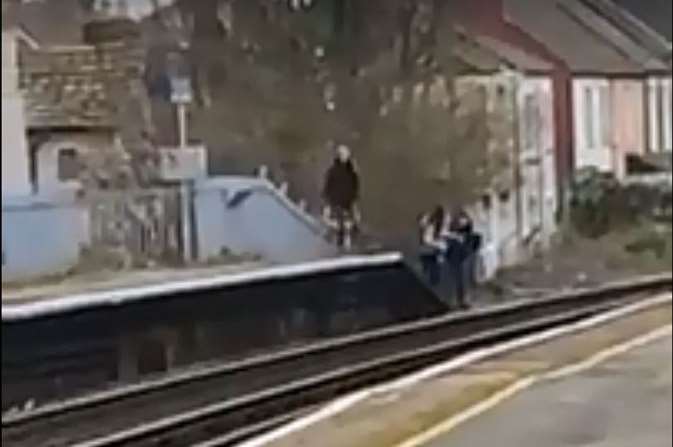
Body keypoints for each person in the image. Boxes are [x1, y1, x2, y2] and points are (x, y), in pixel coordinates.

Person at [322, 145, 360, 249]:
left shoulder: (352, 172)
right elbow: (327, 189)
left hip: (347, 205)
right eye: (343, 154)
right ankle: (334, 247)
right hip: (336, 204)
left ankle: (348, 247)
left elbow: (354, 191)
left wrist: (355, 208)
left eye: (347, 154)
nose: (345, 156)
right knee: (337, 228)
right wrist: (327, 207)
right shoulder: (333, 171)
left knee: (348, 227)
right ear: (339, 156)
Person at [419, 206, 446, 288]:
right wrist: (439, 244)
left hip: (429, 252)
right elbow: (426, 240)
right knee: (432, 273)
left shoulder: (428, 227)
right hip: (429, 252)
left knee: (431, 272)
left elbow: (427, 240)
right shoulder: (429, 227)